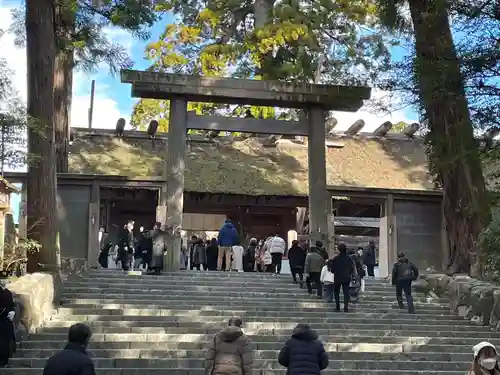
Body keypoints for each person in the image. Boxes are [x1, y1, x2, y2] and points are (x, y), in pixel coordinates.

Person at [328, 243, 356, 312]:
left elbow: (332, 270)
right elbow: (352, 268)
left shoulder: (336, 258)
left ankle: (337, 307)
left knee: (336, 292)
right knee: (346, 292)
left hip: (337, 277)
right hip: (346, 277)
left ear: (339, 250)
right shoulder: (349, 258)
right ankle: (346, 307)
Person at [0, 283, 15, 368]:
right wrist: (5, 311)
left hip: (7, 321)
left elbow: (12, 304)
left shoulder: (7, 291)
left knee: (6, 341)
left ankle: (5, 362)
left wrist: (13, 311)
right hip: (1, 320)